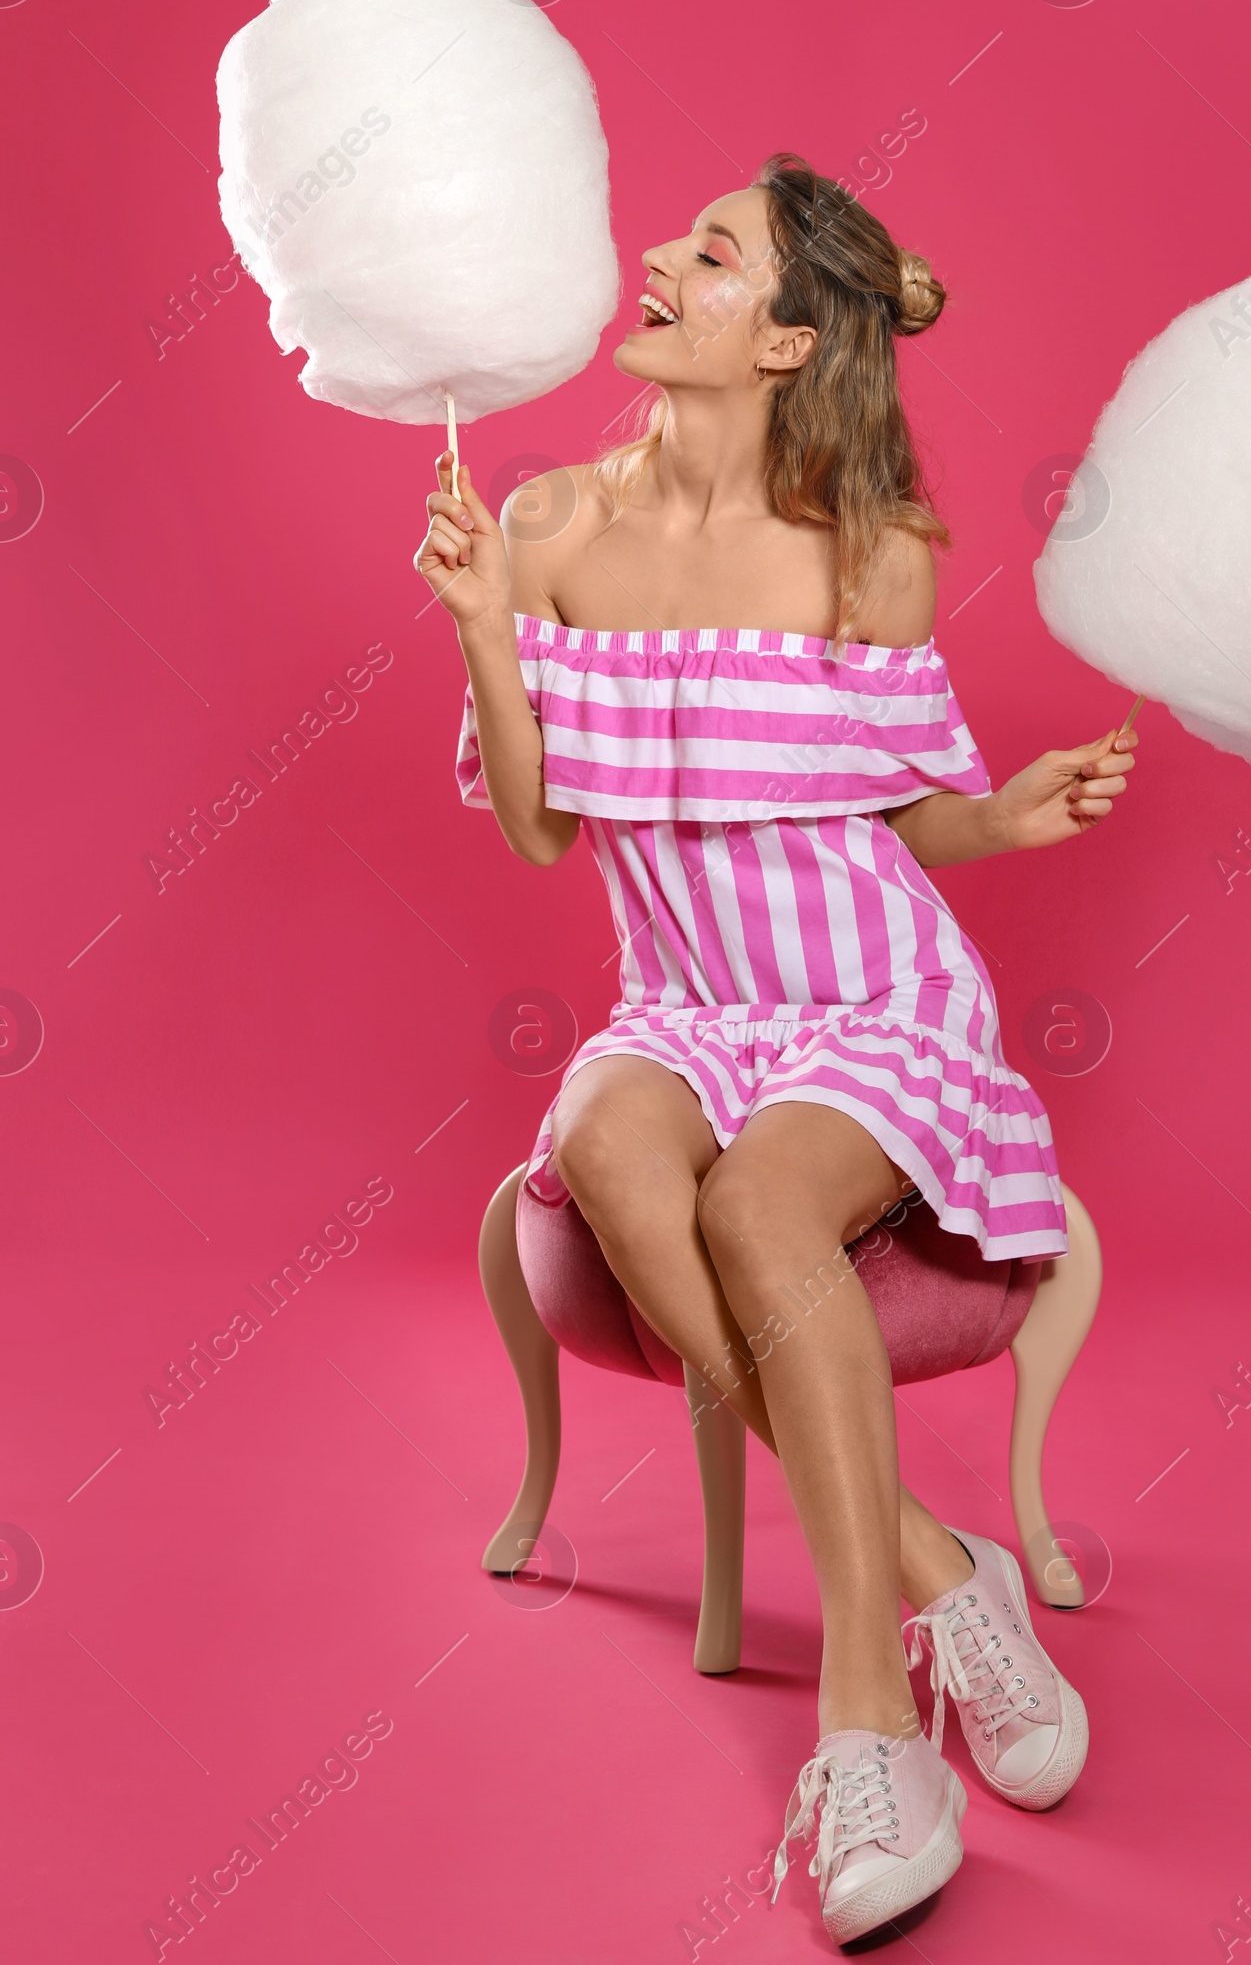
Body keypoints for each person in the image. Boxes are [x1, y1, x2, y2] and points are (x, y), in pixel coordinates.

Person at [415, 154, 1136, 1945]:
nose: (659, 258)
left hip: (872, 1008)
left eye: (711, 255)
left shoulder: (867, 557)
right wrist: (492, 638)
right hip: (681, 1005)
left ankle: (870, 1726)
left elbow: (888, 817)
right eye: (678, 240)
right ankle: (941, 1576)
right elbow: (531, 832)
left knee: (755, 1218)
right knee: (599, 1139)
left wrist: (1005, 822)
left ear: (789, 337)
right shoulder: (549, 528)